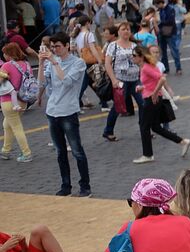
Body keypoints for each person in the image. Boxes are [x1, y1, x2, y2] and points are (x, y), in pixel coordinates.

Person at [37, 33, 91, 197]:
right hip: (52, 111)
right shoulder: (52, 63)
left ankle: (85, 186)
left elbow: (67, 82)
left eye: (58, 46)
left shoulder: (78, 63)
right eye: (52, 47)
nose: (55, 49)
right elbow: (41, 83)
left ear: (67, 45)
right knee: (60, 152)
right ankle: (65, 185)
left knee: (77, 151)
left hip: (68, 111)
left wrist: (54, 62)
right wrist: (41, 63)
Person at [130, 43, 189, 164]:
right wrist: (142, 88)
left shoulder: (146, 67)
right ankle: (182, 141)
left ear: (141, 56)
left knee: (144, 126)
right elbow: (152, 82)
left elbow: (162, 79)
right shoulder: (146, 66)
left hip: (151, 100)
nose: (132, 57)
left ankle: (147, 155)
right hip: (151, 98)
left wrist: (155, 93)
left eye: (134, 55)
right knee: (155, 127)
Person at [101, 21, 141, 141]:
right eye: (123, 29)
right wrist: (113, 79)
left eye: (128, 29)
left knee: (143, 104)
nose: (126, 31)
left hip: (135, 80)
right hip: (121, 80)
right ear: (118, 31)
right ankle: (108, 131)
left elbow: (141, 61)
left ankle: (145, 129)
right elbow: (107, 63)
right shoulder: (113, 45)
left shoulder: (134, 46)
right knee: (118, 107)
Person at [0, 42, 32, 162]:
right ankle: (5, 150)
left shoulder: (7, 66)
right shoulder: (26, 64)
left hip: (8, 102)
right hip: (23, 100)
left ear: (9, 54)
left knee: (16, 127)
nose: (3, 55)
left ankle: (27, 153)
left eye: (5, 53)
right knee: (7, 125)